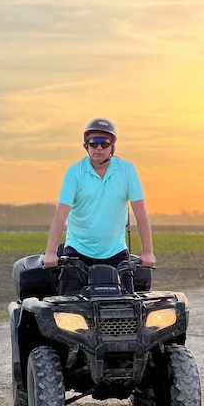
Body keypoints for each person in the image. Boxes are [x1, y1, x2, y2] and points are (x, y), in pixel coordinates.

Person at [43, 118, 156, 294]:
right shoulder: (75, 172)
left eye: (105, 143)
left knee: (126, 308)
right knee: (67, 310)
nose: (99, 148)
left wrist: (148, 252)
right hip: (77, 251)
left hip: (115, 252)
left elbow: (140, 214)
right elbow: (61, 214)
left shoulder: (127, 170)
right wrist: (51, 252)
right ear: (86, 145)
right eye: (93, 143)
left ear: (113, 147)